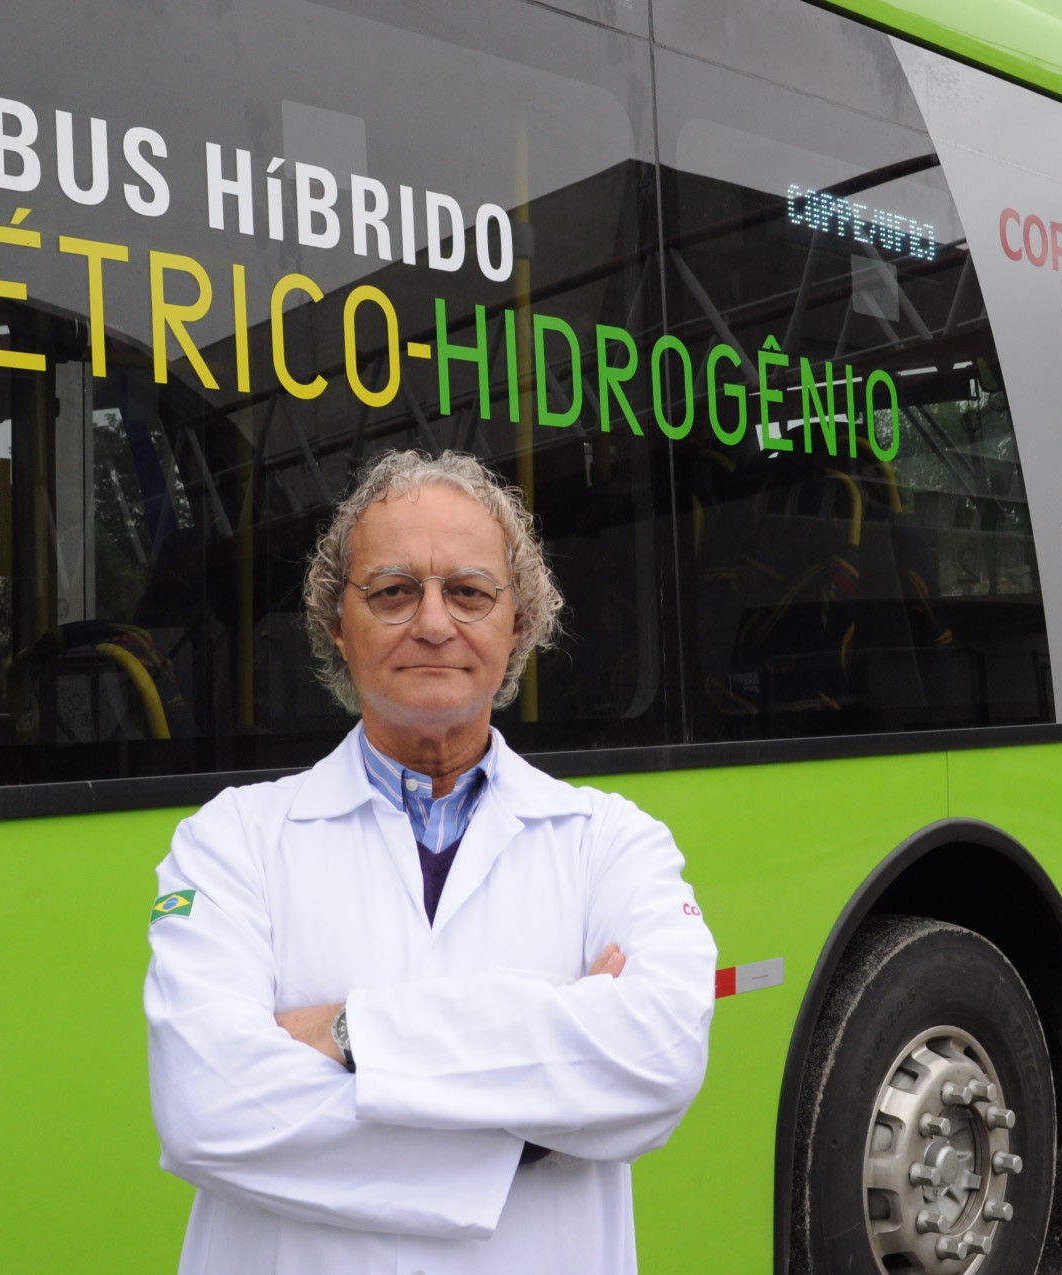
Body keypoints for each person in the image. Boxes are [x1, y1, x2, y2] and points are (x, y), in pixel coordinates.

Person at [145, 450, 717, 1274]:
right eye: (393, 590)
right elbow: (209, 1106)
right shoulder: (229, 842)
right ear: (336, 624)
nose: (435, 622)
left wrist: (351, 1033)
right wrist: (524, 1127)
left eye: (470, 591)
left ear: (518, 620)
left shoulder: (611, 841)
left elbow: (658, 1059)